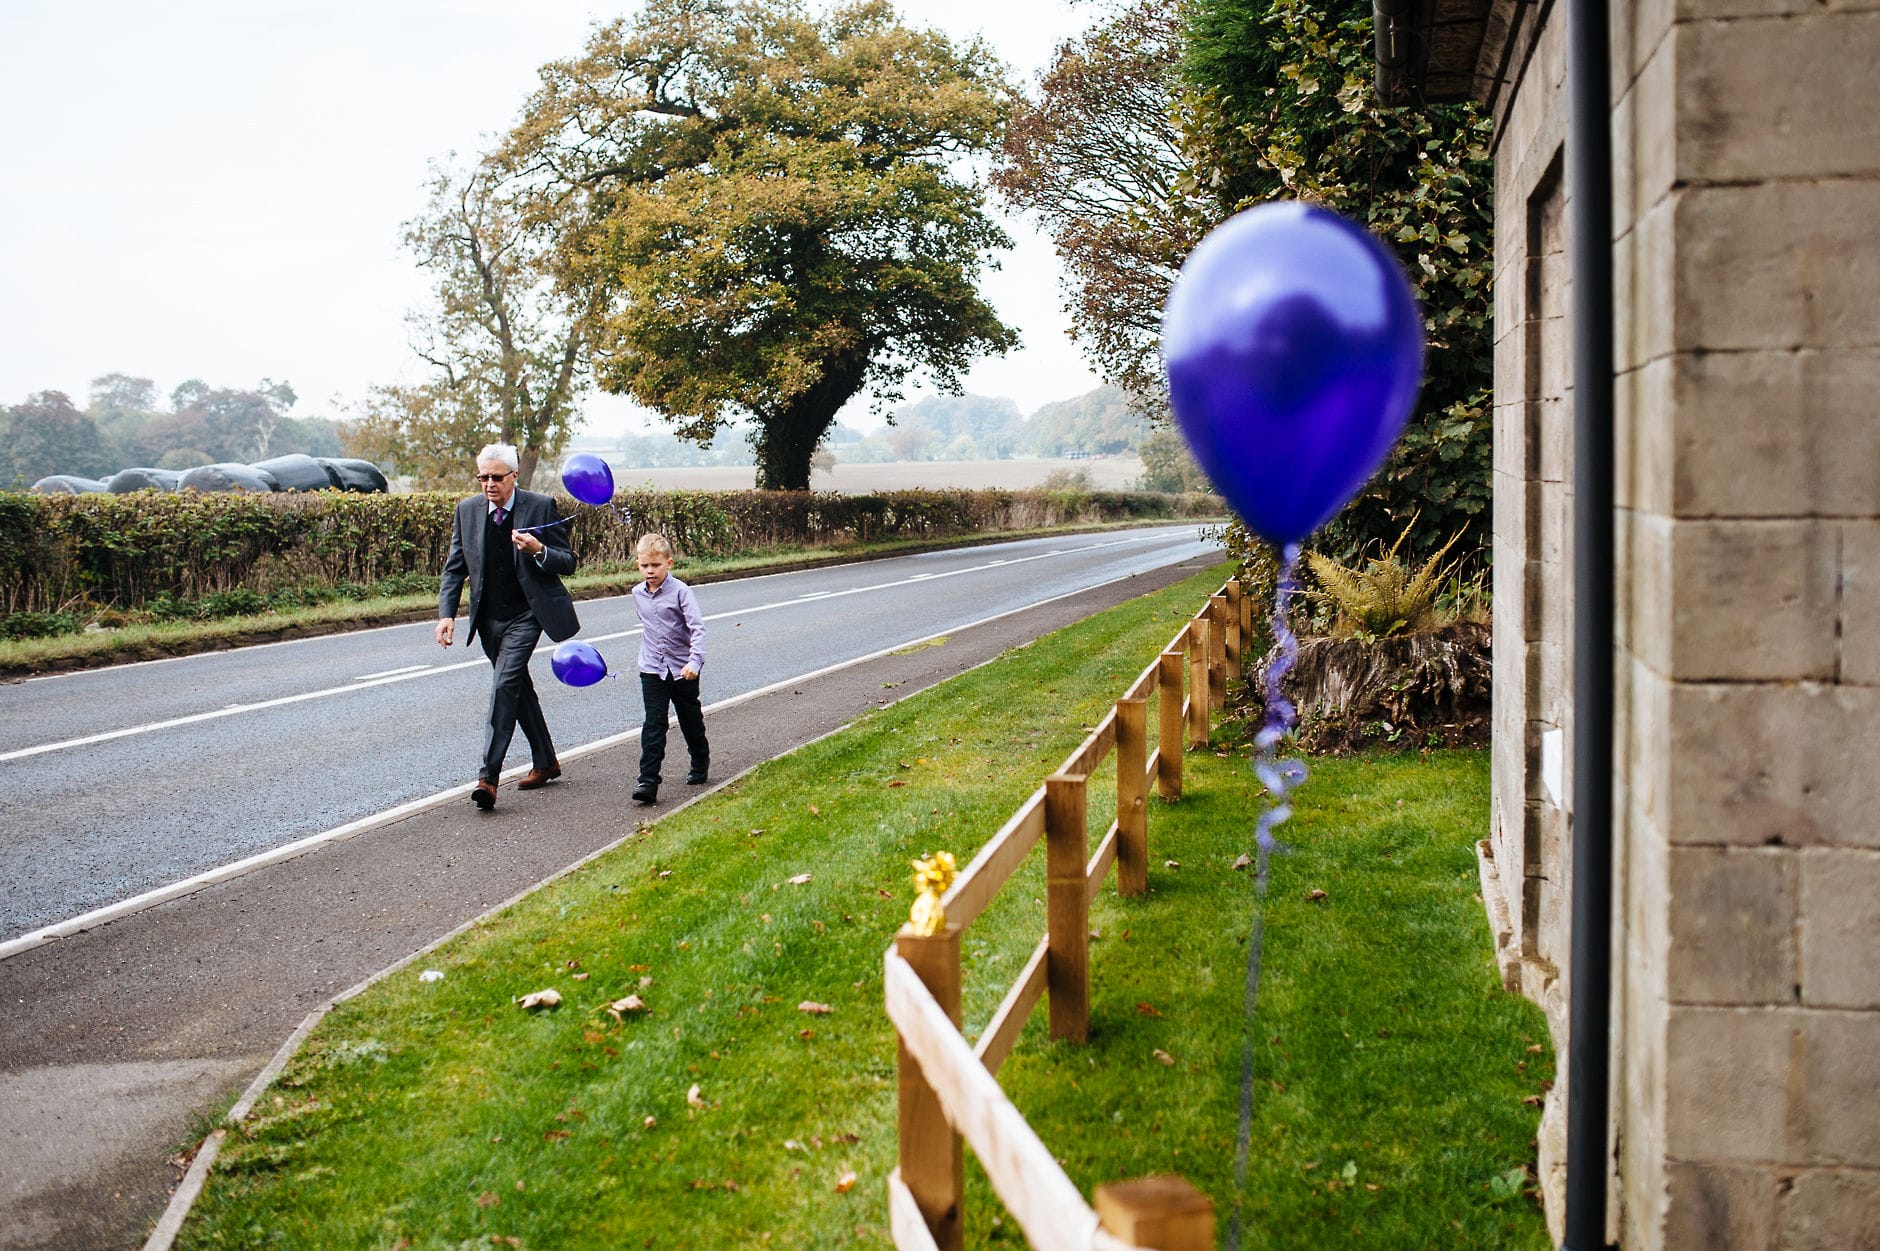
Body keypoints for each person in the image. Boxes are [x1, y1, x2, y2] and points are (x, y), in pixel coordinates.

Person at [436, 443, 580, 810]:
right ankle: (546, 761)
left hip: (528, 614)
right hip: (488, 619)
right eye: (482, 477)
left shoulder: (540, 506)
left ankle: (488, 776)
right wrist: (447, 614)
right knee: (517, 688)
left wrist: (538, 550)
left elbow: (568, 562)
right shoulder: (467, 511)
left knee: (504, 685)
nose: (488, 484)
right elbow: (456, 567)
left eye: (496, 477)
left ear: (514, 476)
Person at [630, 532, 709, 804]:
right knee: (654, 724)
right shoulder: (637, 594)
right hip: (652, 669)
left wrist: (694, 661)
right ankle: (648, 781)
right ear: (638, 565)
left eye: (656, 566)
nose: (650, 571)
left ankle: (700, 760)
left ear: (669, 563)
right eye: (644, 566)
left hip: (682, 670)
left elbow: (697, 629)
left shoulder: (681, 592)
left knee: (690, 720)